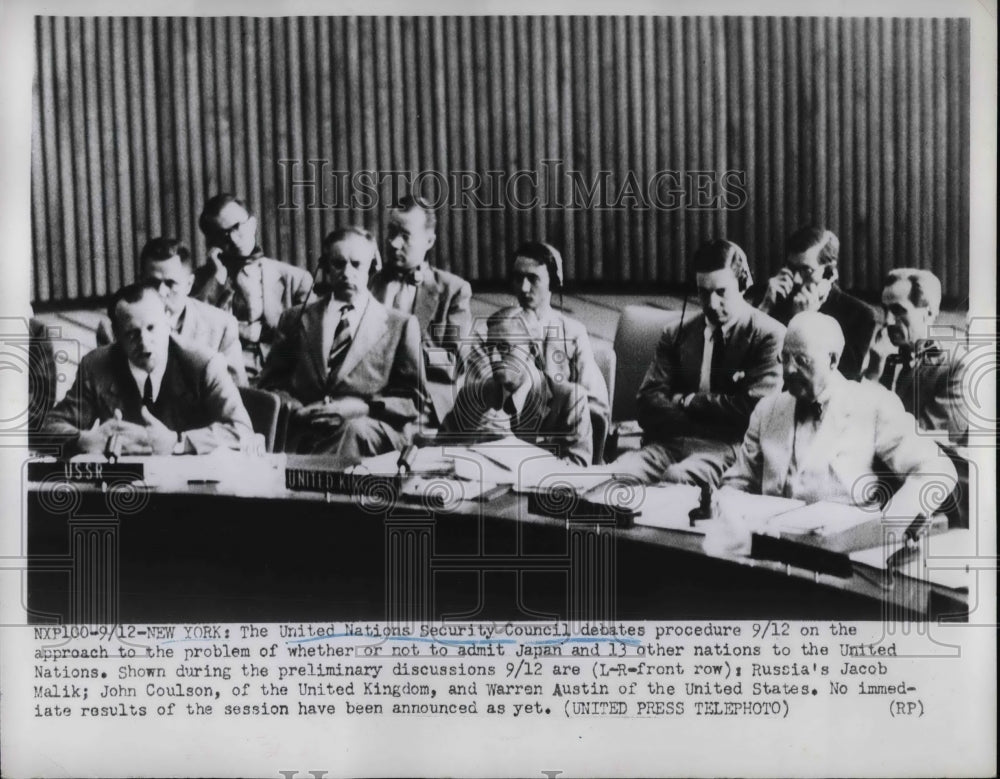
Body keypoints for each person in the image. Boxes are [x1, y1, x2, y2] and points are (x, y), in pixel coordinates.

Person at [721, 312, 956, 519]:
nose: (789, 370)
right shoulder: (767, 409)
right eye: (785, 358)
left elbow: (936, 469)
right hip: (769, 546)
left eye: (801, 361)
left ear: (832, 360)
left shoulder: (873, 405)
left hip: (841, 548)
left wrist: (886, 527)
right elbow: (738, 482)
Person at [612, 239, 785, 486]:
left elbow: (752, 412)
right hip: (669, 443)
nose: (712, 304)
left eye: (721, 292)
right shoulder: (675, 333)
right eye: (703, 293)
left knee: (677, 479)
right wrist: (706, 421)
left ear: (743, 284)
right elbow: (647, 402)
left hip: (727, 450)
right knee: (614, 475)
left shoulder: (769, 336)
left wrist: (687, 401)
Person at [258, 226, 426, 460]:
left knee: (352, 431)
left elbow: (415, 399)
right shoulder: (295, 318)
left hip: (369, 428)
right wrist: (298, 410)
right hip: (306, 425)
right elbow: (270, 385)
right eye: (338, 264)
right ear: (326, 266)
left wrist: (364, 408)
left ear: (373, 266)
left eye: (356, 264)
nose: (347, 273)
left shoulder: (400, 325)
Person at [43, 282, 253, 456]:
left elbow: (241, 431)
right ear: (115, 334)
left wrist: (179, 442)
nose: (145, 342)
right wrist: (84, 440)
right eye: (132, 334)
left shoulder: (204, 364)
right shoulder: (97, 365)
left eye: (152, 328)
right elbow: (49, 427)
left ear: (168, 321)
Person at [475, 241, 610, 425]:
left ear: (553, 281)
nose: (523, 288)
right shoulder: (496, 330)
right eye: (518, 278)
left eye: (533, 279)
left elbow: (595, 403)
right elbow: (478, 390)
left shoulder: (572, 333)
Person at [437, 310, 593, 467]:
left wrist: (512, 449)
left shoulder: (569, 399)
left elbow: (575, 468)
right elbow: (438, 449)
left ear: (532, 351)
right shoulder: (471, 395)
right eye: (489, 348)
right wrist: (475, 442)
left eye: (504, 347)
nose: (494, 358)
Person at [369, 195, 472, 424]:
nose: (394, 243)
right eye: (391, 233)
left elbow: (455, 362)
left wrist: (406, 348)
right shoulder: (370, 284)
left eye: (405, 236)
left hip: (423, 401)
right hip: (370, 392)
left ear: (429, 241)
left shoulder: (452, 291)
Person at [192, 193, 313, 379]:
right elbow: (193, 332)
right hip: (224, 379)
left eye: (236, 227)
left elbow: (313, 340)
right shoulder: (200, 282)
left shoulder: (295, 280)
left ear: (253, 224)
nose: (233, 239)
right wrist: (216, 280)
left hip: (282, 379)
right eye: (222, 235)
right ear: (211, 242)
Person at [96, 238, 247, 386]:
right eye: (152, 283)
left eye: (170, 284)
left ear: (188, 284)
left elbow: (240, 395)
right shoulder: (112, 329)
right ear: (139, 281)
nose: (161, 292)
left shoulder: (222, 326)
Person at [749, 226, 879, 380]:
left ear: (829, 272)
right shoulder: (772, 299)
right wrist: (765, 307)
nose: (796, 279)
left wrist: (806, 320)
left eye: (806, 270)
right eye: (791, 268)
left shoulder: (860, 315)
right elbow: (745, 361)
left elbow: (845, 376)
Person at [863, 269, 968, 445]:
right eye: (885, 310)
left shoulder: (958, 367)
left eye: (898, 311)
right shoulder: (885, 358)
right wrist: (873, 373)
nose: (888, 321)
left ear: (928, 313)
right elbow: (855, 424)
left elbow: (924, 441)